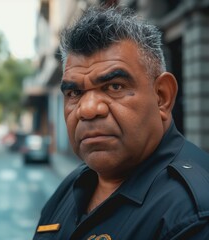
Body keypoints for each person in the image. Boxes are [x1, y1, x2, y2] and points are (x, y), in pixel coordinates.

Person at [33, 6, 209, 240]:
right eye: (74, 93)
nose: (87, 109)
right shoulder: (71, 186)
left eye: (114, 86)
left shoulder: (192, 214)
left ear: (162, 97)